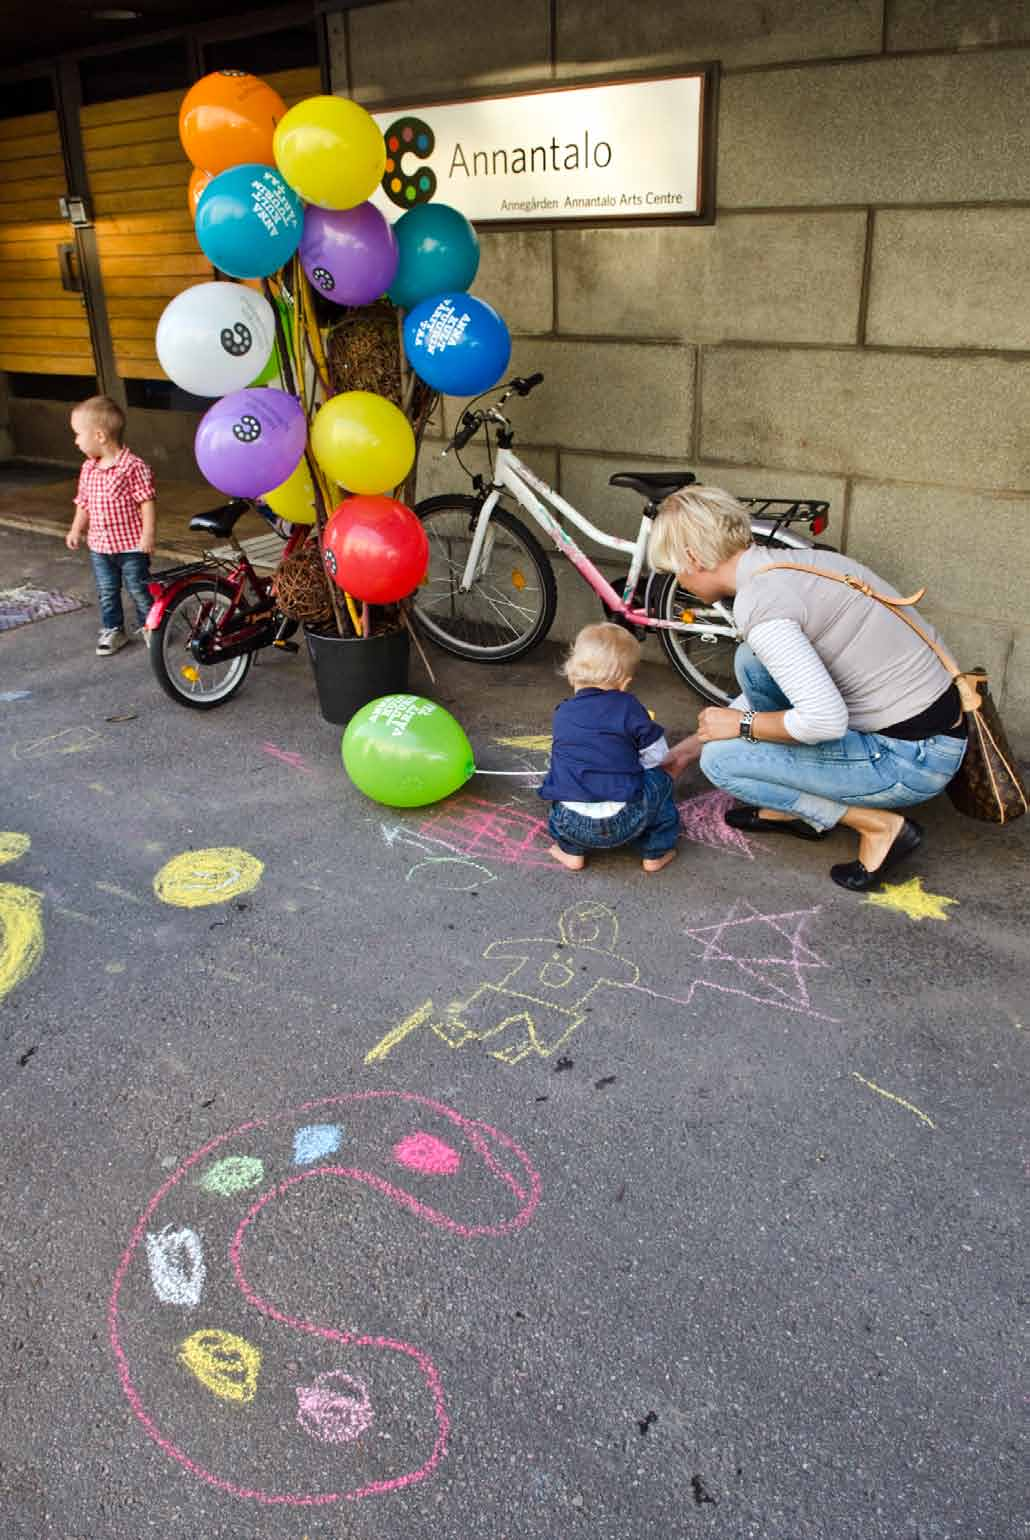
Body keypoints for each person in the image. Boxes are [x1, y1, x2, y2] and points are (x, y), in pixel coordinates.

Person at [647, 486, 967, 892]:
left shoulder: (760, 604)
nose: (678, 579)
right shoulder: (793, 563)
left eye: (674, 568)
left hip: (912, 760)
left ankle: (879, 827)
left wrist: (740, 725)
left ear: (693, 558)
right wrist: (688, 747)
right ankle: (792, 810)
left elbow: (824, 721)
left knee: (721, 761)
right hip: (929, 727)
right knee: (752, 660)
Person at [538, 622, 680, 874]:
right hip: (625, 818)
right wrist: (640, 765)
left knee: (560, 783)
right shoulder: (629, 706)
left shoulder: (562, 712)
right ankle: (655, 852)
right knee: (661, 778)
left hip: (570, 821)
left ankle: (570, 852)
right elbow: (658, 754)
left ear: (572, 673)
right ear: (625, 683)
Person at [65, 394, 157, 656]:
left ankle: (151, 625)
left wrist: (148, 535)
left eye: (78, 434)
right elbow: (83, 502)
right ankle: (113, 629)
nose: (75, 440)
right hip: (100, 546)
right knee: (107, 591)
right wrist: (76, 529)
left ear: (100, 436)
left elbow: (146, 502)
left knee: (139, 587)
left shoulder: (133, 466)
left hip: (131, 545)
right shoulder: (88, 468)